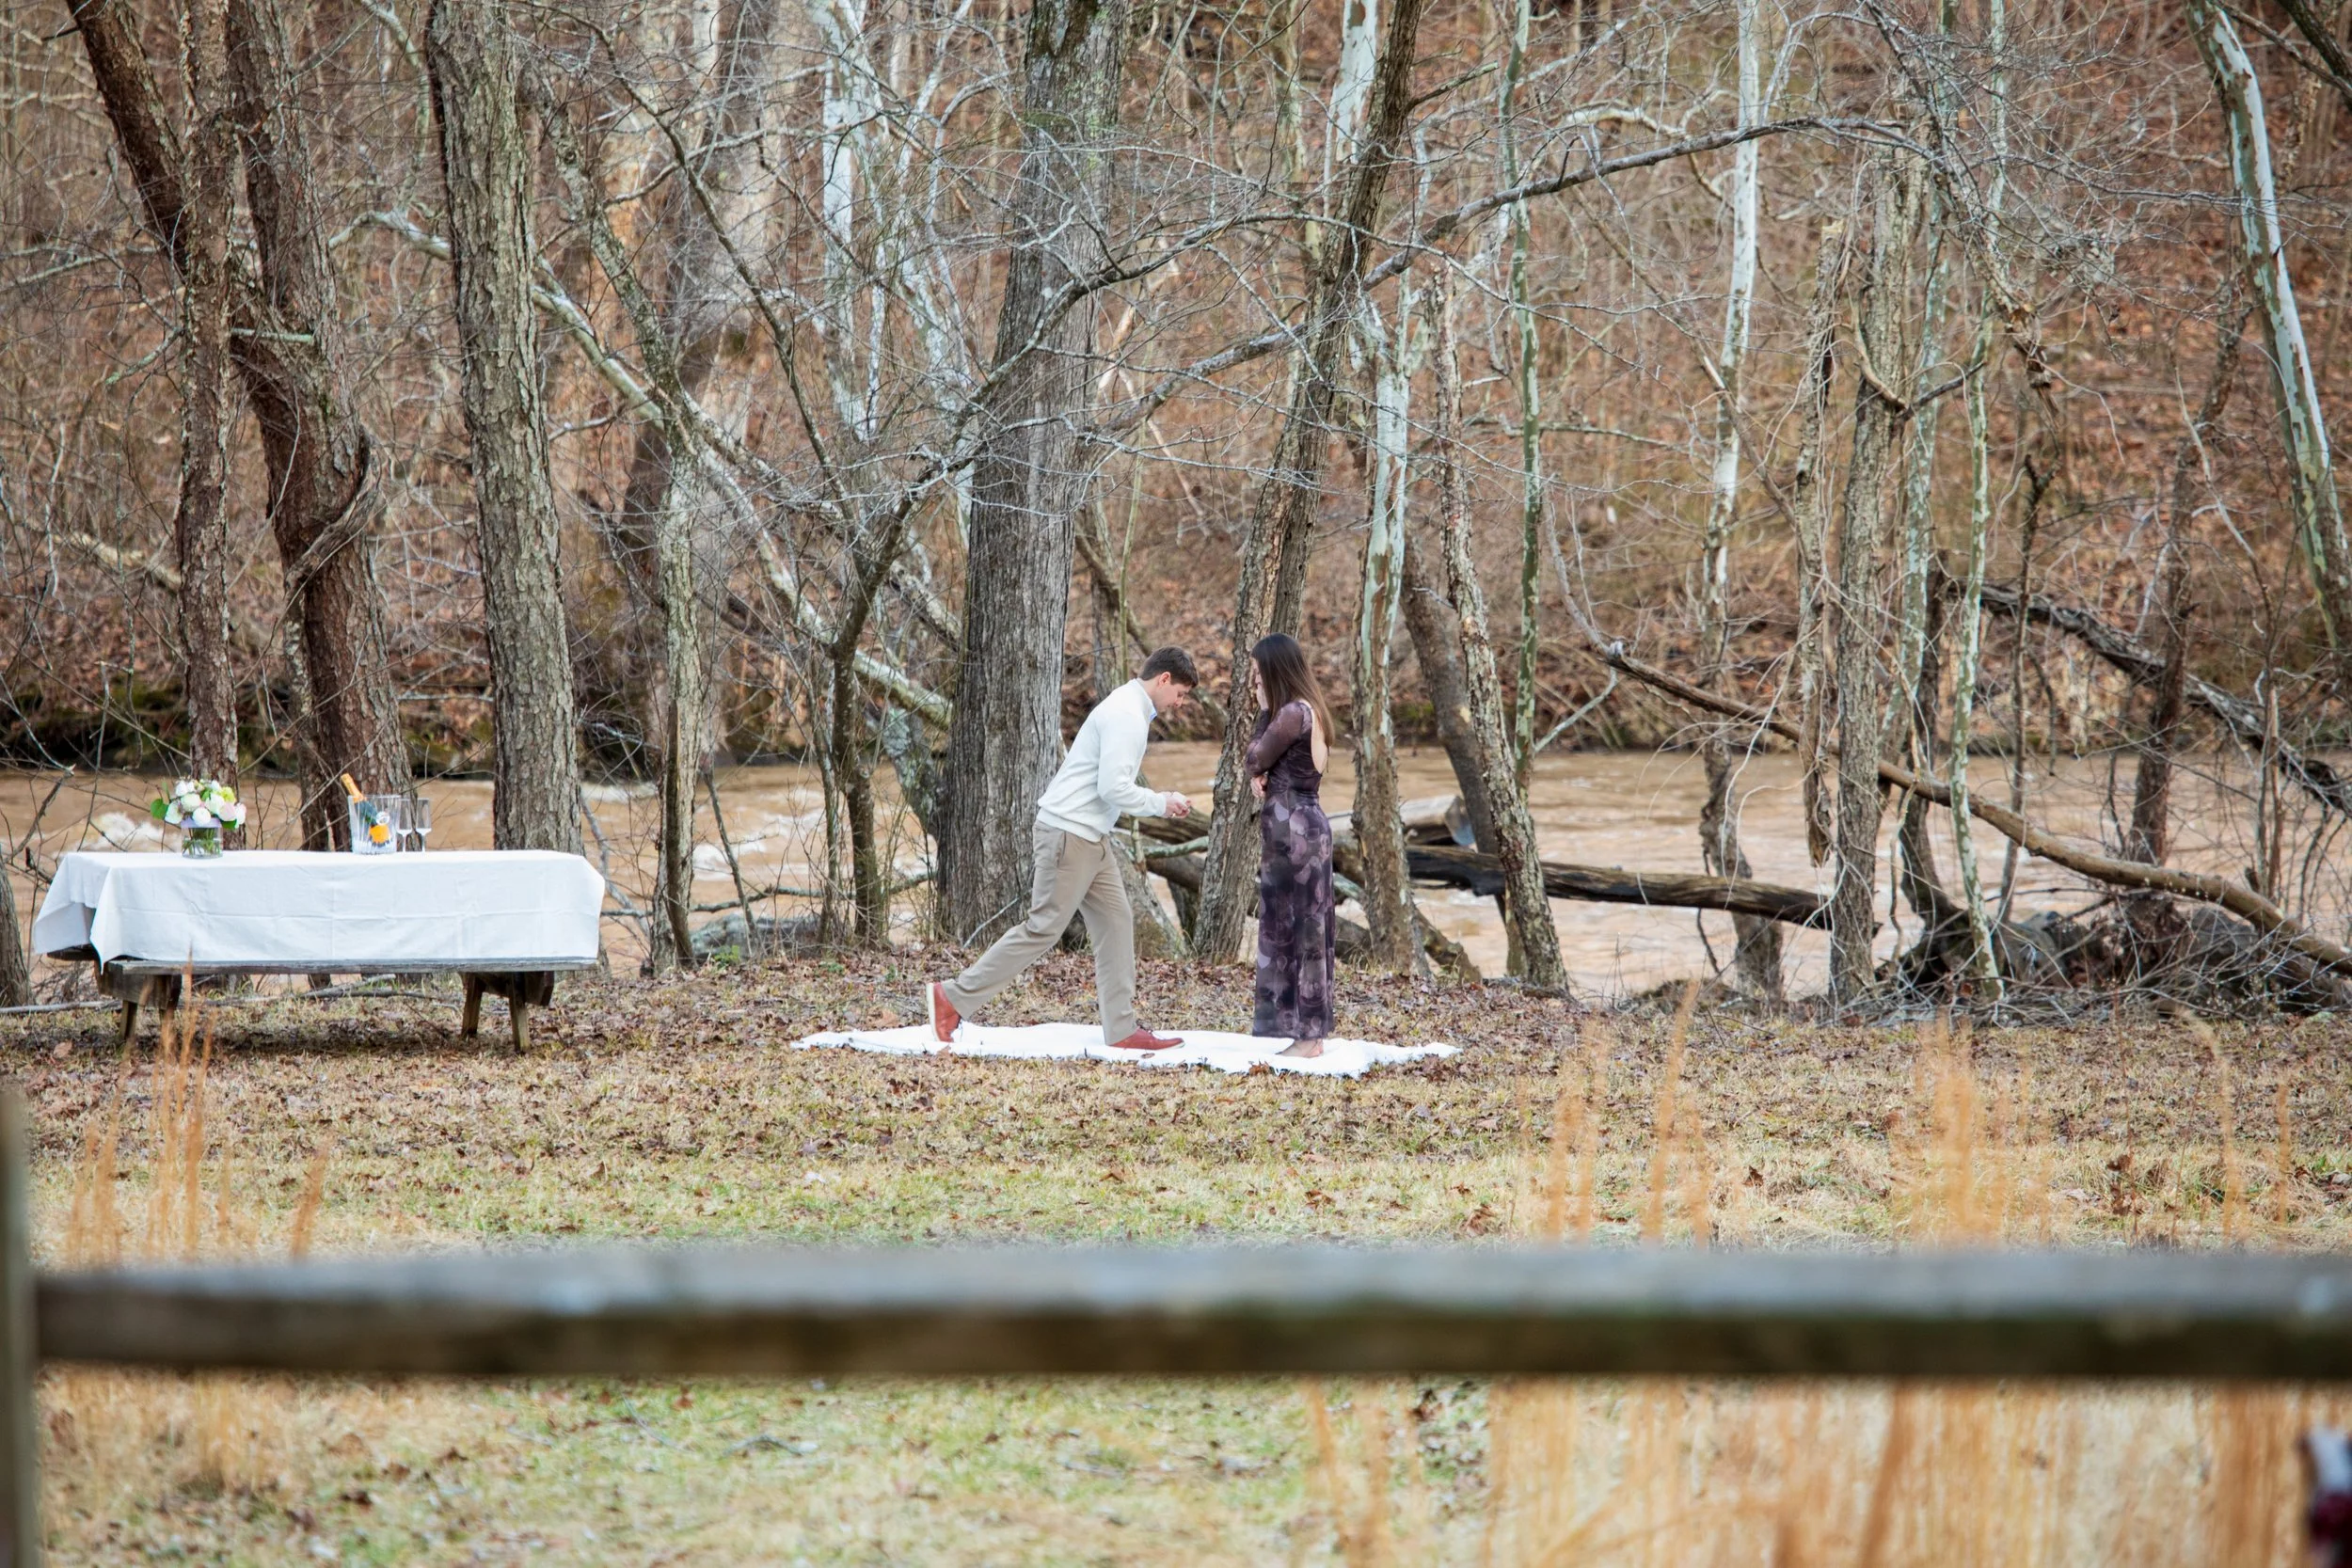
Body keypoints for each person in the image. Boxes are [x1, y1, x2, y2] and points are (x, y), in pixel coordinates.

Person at [928, 647, 1199, 1051]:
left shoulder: (1130, 708)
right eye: (1180, 693)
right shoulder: (1127, 715)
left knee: (1116, 922)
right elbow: (1113, 788)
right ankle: (952, 997)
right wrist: (1162, 801)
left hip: (1091, 837)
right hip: (1070, 835)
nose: (1181, 702)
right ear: (1163, 680)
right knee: (1042, 929)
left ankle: (1122, 1029)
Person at [1244, 633, 1336, 1058]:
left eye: (1258, 672)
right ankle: (1301, 1029)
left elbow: (1254, 758)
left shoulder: (1292, 713)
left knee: (1304, 932)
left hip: (1295, 836)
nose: (1254, 681)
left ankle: (1310, 1037)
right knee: (1297, 928)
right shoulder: (1310, 711)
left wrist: (1264, 713)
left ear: (1274, 669)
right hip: (1304, 831)